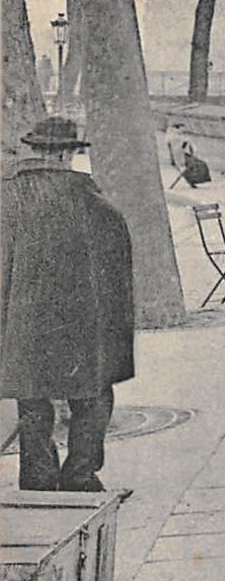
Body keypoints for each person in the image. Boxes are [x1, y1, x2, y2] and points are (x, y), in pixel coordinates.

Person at [1, 117, 134, 491]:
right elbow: (117, 255)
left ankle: (38, 478)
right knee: (92, 397)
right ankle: (80, 474)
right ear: (65, 152)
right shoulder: (89, 199)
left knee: (33, 401)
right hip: (80, 321)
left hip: (23, 321)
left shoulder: (7, 196)